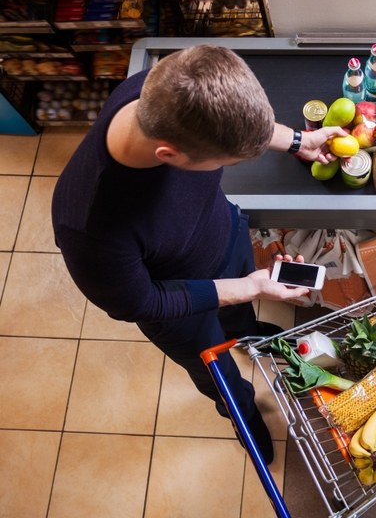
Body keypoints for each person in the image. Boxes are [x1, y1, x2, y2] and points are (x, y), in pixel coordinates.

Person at [51, 44, 346, 465]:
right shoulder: (91, 228)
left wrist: (299, 141)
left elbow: (244, 128)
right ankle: (240, 412)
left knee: (240, 318)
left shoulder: (165, 89)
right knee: (217, 372)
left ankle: (245, 331)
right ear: (169, 156)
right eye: (228, 163)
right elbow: (143, 302)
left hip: (222, 236)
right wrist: (245, 286)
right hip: (181, 308)